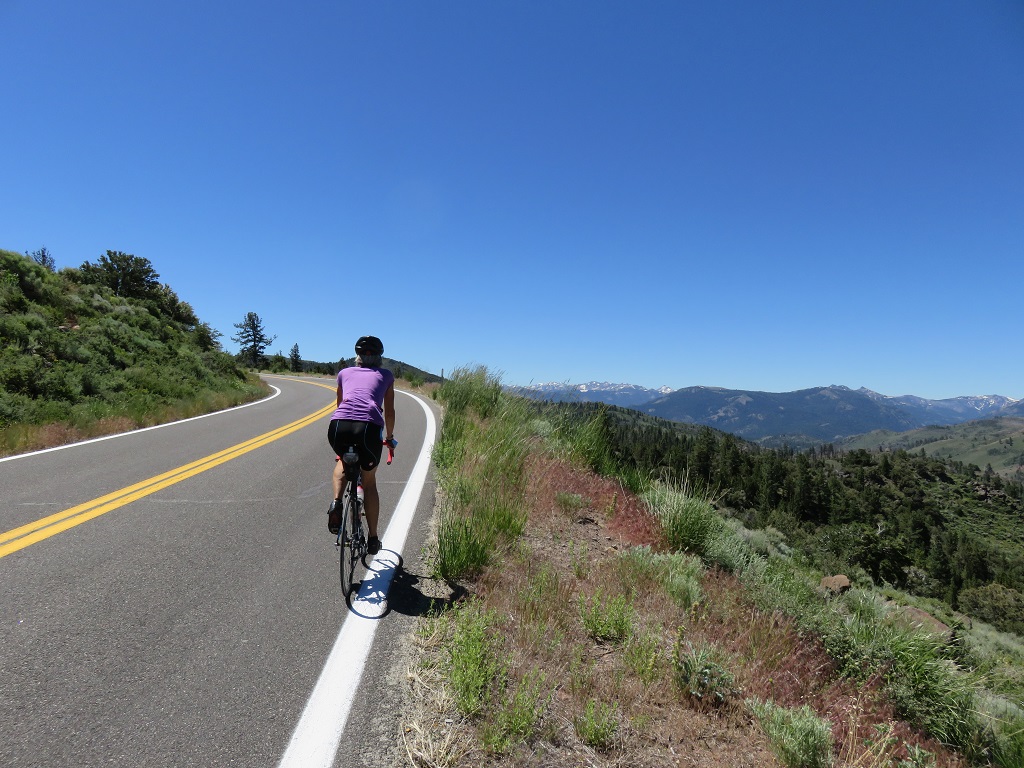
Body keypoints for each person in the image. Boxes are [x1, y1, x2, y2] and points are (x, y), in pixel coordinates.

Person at [326, 335, 396, 555]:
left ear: (357, 356)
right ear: (379, 357)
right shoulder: (385, 375)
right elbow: (390, 411)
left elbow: (339, 402)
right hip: (368, 429)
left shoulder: (344, 373)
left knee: (342, 463)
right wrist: (390, 437)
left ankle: (337, 502)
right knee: (369, 482)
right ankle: (373, 538)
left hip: (339, 426)